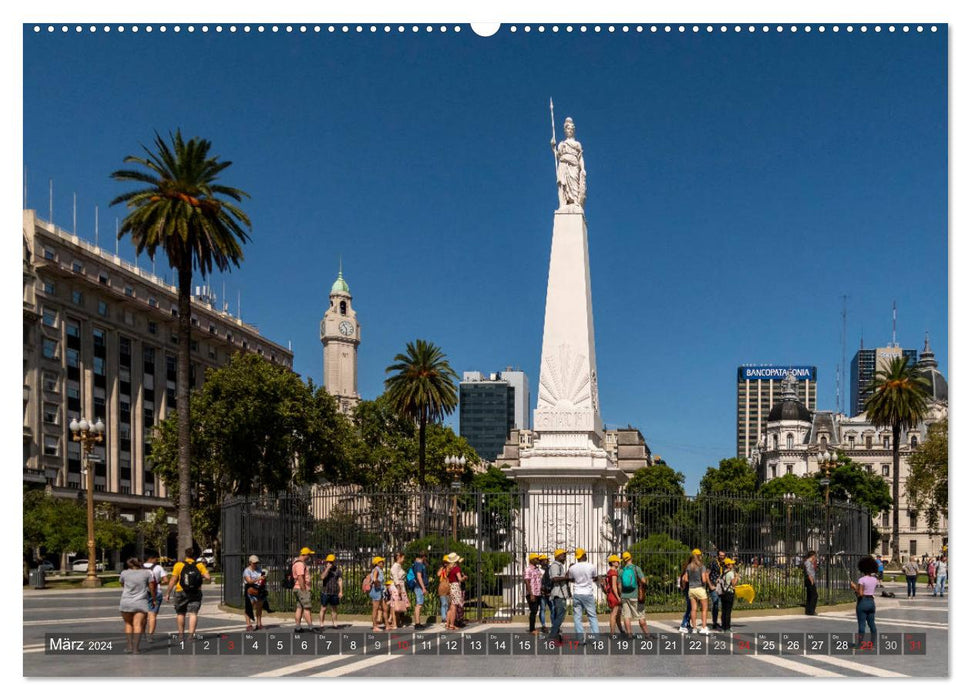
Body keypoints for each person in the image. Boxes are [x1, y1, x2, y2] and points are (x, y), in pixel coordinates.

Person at [166, 547, 211, 639]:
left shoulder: (178, 565)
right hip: (195, 592)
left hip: (180, 591)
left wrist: (168, 593)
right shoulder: (200, 565)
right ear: (195, 556)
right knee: (193, 613)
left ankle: (181, 635)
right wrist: (199, 577)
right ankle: (191, 635)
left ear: (186, 555)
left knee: (180, 613)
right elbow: (208, 578)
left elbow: (173, 580)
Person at [119, 557, 155, 654]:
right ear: (140, 563)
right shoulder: (146, 573)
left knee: (128, 624)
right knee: (137, 624)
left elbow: (122, 584)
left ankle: (129, 646)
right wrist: (153, 598)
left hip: (126, 602)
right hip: (141, 602)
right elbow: (151, 586)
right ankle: (136, 648)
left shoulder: (124, 573)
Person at [551, 116, 587, 210]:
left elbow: (580, 158)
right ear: (565, 131)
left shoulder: (577, 144)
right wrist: (553, 147)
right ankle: (563, 204)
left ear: (573, 131)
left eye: (571, 129)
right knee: (563, 184)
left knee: (574, 184)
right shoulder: (562, 144)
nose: (569, 131)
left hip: (574, 165)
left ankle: (575, 202)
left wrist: (583, 169)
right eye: (568, 129)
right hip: (563, 165)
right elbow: (558, 155)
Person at [568, 548, 600, 641]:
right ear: (584, 556)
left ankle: (580, 639)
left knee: (577, 617)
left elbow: (571, 579)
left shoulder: (572, 568)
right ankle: (596, 639)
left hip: (577, 593)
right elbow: (595, 577)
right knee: (592, 616)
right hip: (587, 593)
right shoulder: (591, 566)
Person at [850, 555, 880, 649]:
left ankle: (859, 644)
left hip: (863, 602)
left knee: (862, 625)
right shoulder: (875, 580)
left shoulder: (861, 580)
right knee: (872, 624)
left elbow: (860, 593)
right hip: (871, 602)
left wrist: (854, 587)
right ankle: (872, 644)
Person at [619, 551, 649, 637]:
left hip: (624, 597)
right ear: (631, 558)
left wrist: (621, 594)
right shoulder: (636, 568)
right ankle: (647, 635)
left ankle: (629, 635)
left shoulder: (621, 571)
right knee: (641, 616)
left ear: (624, 560)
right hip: (635, 596)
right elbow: (643, 581)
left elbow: (619, 586)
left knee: (626, 616)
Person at [682, 549, 710, 634]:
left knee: (693, 609)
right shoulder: (702, 566)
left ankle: (694, 628)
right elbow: (704, 580)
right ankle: (704, 627)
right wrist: (706, 575)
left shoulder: (689, 566)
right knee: (704, 609)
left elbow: (685, 579)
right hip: (700, 589)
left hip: (691, 589)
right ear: (699, 556)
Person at [142, 552, 168, 641]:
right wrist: (158, 582)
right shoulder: (158, 567)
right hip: (156, 593)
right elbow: (165, 580)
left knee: (143, 615)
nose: (157, 560)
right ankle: (150, 636)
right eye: (156, 558)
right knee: (152, 615)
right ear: (151, 558)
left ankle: (142, 634)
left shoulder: (140, 567)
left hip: (142, 594)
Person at [547, 548, 570, 644]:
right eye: (563, 554)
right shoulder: (555, 566)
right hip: (558, 593)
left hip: (562, 593)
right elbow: (554, 578)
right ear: (557, 556)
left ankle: (555, 633)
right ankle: (552, 635)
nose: (565, 556)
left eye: (565, 554)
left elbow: (561, 578)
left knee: (559, 615)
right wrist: (566, 577)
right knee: (560, 614)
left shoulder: (560, 566)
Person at [291, 546, 315, 632]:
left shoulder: (296, 563)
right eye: (309, 555)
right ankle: (311, 627)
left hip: (297, 588)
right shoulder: (300, 564)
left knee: (299, 608)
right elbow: (300, 577)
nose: (309, 557)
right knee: (307, 608)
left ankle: (298, 627)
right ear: (305, 554)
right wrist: (304, 589)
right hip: (301, 588)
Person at [318, 553, 342, 629]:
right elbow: (322, 577)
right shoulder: (323, 568)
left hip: (334, 592)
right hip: (325, 591)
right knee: (323, 608)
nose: (330, 563)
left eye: (331, 562)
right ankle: (321, 624)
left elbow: (340, 580)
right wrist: (327, 569)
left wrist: (341, 591)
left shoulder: (338, 570)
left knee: (334, 608)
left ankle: (335, 623)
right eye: (329, 562)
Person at [242, 555, 266, 631]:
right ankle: (248, 624)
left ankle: (259, 624)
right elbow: (249, 581)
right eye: (254, 563)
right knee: (249, 607)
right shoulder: (247, 571)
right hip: (250, 590)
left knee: (259, 607)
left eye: (257, 563)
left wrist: (264, 578)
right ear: (250, 563)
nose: (256, 564)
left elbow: (262, 578)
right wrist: (258, 578)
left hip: (259, 590)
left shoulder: (259, 569)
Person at [444, 552, 466, 631]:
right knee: (454, 607)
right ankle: (452, 625)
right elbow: (459, 579)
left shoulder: (449, 568)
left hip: (450, 587)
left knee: (450, 607)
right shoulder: (456, 568)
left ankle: (448, 624)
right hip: (455, 587)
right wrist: (464, 578)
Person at [523, 553, 543, 634]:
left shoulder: (537, 569)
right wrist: (531, 594)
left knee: (535, 611)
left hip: (538, 593)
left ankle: (533, 628)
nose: (538, 560)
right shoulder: (528, 569)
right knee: (533, 611)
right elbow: (527, 582)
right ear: (531, 560)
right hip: (532, 594)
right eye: (536, 559)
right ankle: (532, 629)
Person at [718, 557, 738, 633]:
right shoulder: (730, 573)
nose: (732, 565)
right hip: (729, 593)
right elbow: (733, 584)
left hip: (723, 593)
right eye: (731, 564)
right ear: (728, 565)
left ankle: (723, 627)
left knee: (723, 610)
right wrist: (736, 577)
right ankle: (727, 627)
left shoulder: (723, 572)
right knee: (728, 611)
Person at [707, 550, 726, 630]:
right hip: (714, 586)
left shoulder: (725, 563)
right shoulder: (713, 562)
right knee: (716, 604)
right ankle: (714, 622)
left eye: (723, 555)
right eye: (720, 555)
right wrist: (710, 585)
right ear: (718, 555)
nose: (722, 557)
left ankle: (722, 622)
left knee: (722, 605)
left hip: (722, 587)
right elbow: (706, 574)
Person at [604, 554, 623, 634]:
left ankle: (621, 630)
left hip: (610, 595)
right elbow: (615, 587)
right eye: (617, 561)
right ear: (613, 562)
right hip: (614, 596)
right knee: (614, 614)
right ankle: (612, 633)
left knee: (617, 614)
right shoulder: (614, 573)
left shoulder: (609, 572)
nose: (619, 562)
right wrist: (618, 597)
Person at [410, 553, 428, 630]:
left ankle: (418, 623)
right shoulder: (419, 564)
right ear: (423, 557)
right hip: (419, 587)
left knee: (418, 604)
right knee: (419, 605)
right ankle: (417, 623)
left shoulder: (415, 564)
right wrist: (423, 588)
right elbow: (419, 576)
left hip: (418, 587)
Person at [369, 556, 386, 631]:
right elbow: (375, 579)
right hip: (376, 590)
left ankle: (377, 625)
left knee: (380, 608)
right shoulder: (376, 569)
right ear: (378, 563)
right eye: (382, 562)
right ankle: (375, 626)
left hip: (379, 590)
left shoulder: (379, 569)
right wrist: (378, 583)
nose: (383, 563)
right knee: (375, 609)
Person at [677, 554, 693, 633]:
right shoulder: (689, 567)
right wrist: (684, 587)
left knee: (691, 607)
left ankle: (687, 624)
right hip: (689, 589)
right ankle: (683, 624)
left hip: (690, 589)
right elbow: (684, 579)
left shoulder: (689, 566)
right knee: (690, 607)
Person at [537, 554, 553, 632]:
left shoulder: (550, 569)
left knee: (552, 609)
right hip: (542, 593)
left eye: (546, 560)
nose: (546, 561)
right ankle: (543, 625)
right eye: (544, 560)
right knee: (542, 609)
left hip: (550, 592)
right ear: (541, 562)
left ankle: (553, 625)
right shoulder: (538, 571)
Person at [436, 555, 450, 626]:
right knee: (443, 603)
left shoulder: (449, 568)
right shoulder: (442, 569)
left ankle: (447, 617)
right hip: (442, 588)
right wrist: (442, 569)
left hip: (448, 588)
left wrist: (447, 568)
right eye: (444, 562)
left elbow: (449, 575)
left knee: (447, 604)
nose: (445, 563)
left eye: (446, 562)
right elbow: (438, 574)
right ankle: (444, 618)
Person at [803, 550, 818, 615]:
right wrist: (811, 580)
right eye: (815, 556)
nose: (815, 557)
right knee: (814, 595)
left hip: (810, 580)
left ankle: (808, 611)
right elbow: (808, 572)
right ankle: (811, 611)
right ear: (812, 556)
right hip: (810, 580)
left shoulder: (809, 562)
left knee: (810, 595)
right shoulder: (808, 562)